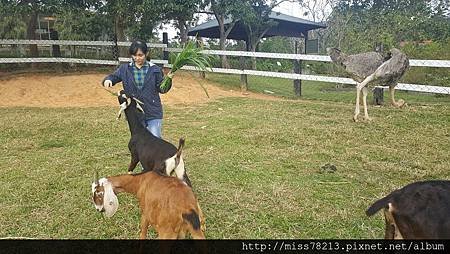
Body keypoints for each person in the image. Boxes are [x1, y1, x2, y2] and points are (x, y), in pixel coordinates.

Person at [102, 39, 173, 138]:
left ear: (146, 53)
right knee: (140, 139)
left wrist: (168, 80)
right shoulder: (125, 69)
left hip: (152, 111)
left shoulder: (155, 70)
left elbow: (162, 89)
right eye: (134, 55)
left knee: (155, 138)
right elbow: (113, 77)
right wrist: (108, 80)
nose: (137, 58)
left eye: (140, 55)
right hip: (134, 112)